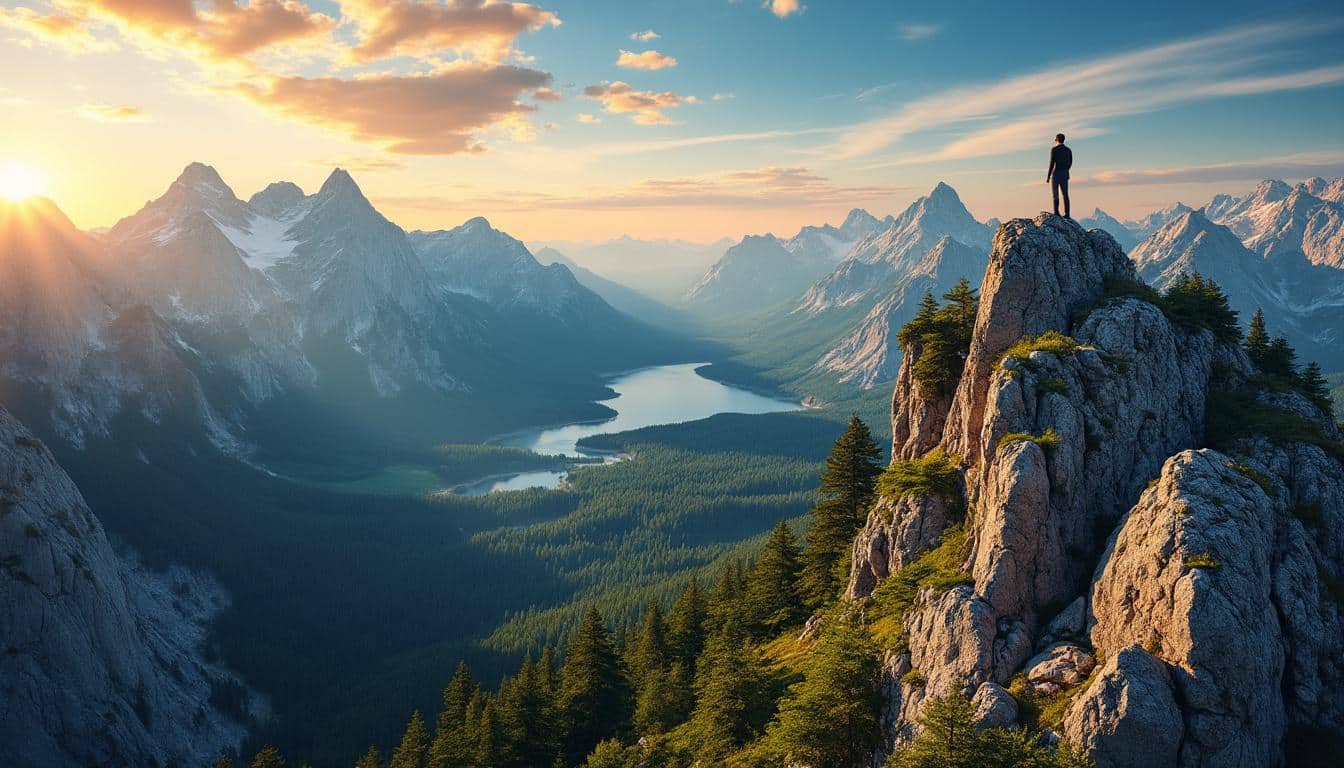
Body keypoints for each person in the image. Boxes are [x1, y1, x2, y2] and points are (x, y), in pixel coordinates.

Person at [1047, 133, 1072, 218]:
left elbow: (1051, 163)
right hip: (1065, 174)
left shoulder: (1054, 149)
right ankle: (1067, 214)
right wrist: (1066, 170)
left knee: (1055, 194)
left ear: (1056, 140)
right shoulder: (1068, 150)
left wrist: (1048, 176)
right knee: (1065, 195)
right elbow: (1070, 162)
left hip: (1056, 174)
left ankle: (1056, 213)